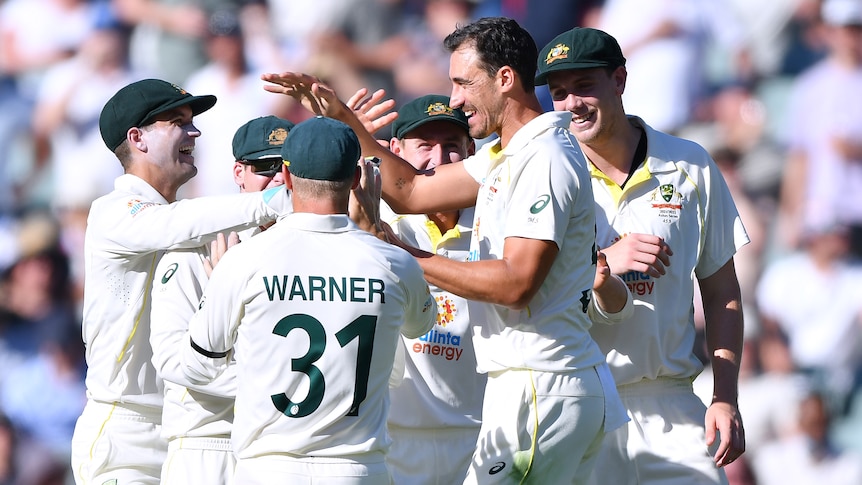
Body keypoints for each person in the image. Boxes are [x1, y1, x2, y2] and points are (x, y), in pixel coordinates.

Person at [262, 16, 633, 484]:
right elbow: (412, 190)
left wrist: (400, 253)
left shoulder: (544, 158)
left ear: (504, 79)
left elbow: (516, 283)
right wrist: (342, 119)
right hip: (543, 384)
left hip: (541, 383)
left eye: (462, 83)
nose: (455, 99)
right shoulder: (509, 154)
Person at [534, 26, 749, 484]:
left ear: (620, 81)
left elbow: (722, 289)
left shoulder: (690, 164)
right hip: (580, 403)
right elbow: (526, 286)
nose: (572, 103)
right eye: (559, 93)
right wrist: (607, 259)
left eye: (584, 86)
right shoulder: (544, 174)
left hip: (671, 401)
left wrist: (725, 396)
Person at [179, 116, 437, 485]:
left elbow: (196, 366)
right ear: (354, 179)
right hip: (359, 470)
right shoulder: (394, 263)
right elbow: (420, 326)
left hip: (267, 470)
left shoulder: (243, 259)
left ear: (285, 175)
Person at [69, 78, 292, 485]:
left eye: (192, 121)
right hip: (125, 431)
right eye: (178, 122)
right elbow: (175, 225)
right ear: (137, 138)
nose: (195, 132)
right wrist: (287, 198)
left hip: (186, 428)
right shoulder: (113, 211)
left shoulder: (190, 222)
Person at [149, 115, 293, 485]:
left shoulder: (312, 253)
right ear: (238, 173)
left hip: (284, 448)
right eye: (266, 167)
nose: (279, 178)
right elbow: (172, 362)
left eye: (289, 167)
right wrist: (282, 388)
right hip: (207, 445)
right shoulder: (195, 249)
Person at [379, 94, 483, 485]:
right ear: (395, 150)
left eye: (451, 146)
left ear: (471, 150)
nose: (438, 159)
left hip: (481, 434)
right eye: (424, 145)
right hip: (395, 440)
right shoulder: (374, 221)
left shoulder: (498, 217)